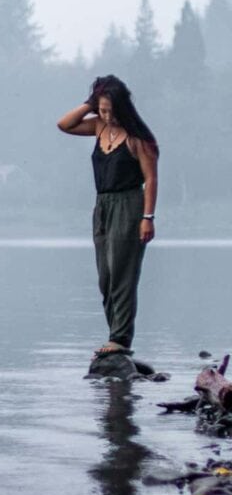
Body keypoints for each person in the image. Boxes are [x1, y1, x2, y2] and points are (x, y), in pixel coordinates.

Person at [57, 75, 158, 357]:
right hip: (102, 206)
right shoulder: (99, 127)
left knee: (123, 274)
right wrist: (90, 103)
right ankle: (114, 334)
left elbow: (151, 179)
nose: (107, 115)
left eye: (111, 110)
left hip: (130, 205)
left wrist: (147, 217)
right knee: (106, 276)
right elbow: (64, 124)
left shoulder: (139, 138)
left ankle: (120, 339)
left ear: (123, 108)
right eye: (102, 109)